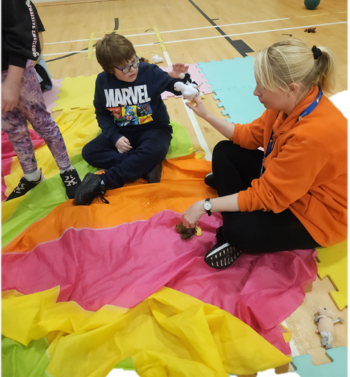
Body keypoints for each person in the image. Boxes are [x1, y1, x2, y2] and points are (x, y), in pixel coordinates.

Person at [182, 39, 349, 270]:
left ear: (291, 88)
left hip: (319, 215)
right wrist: (207, 115)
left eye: (262, 86)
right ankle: (231, 199)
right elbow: (249, 135)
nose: (255, 92)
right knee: (224, 150)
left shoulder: (313, 135)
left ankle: (229, 228)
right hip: (289, 185)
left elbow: (268, 196)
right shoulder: (285, 106)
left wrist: (207, 205)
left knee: (239, 232)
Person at [74, 34, 192, 205]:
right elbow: (102, 113)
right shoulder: (102, 81)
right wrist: (114, 137)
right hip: (122, 131)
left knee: (156, 148)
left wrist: (179, 77)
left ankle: (102, 182)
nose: (132, 69)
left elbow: (180, 89)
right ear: (109, 69)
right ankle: (145, 164)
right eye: (124, 67)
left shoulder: (149, 71)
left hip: (154, 129)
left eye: (133, 61)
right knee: (89, 152)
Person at [0, 0, 81, 201]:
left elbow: (23, 31)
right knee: (13, 129)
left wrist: (12, 81)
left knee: (42, 122)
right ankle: (32, 175)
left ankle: (66, 169)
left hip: (14, 69)